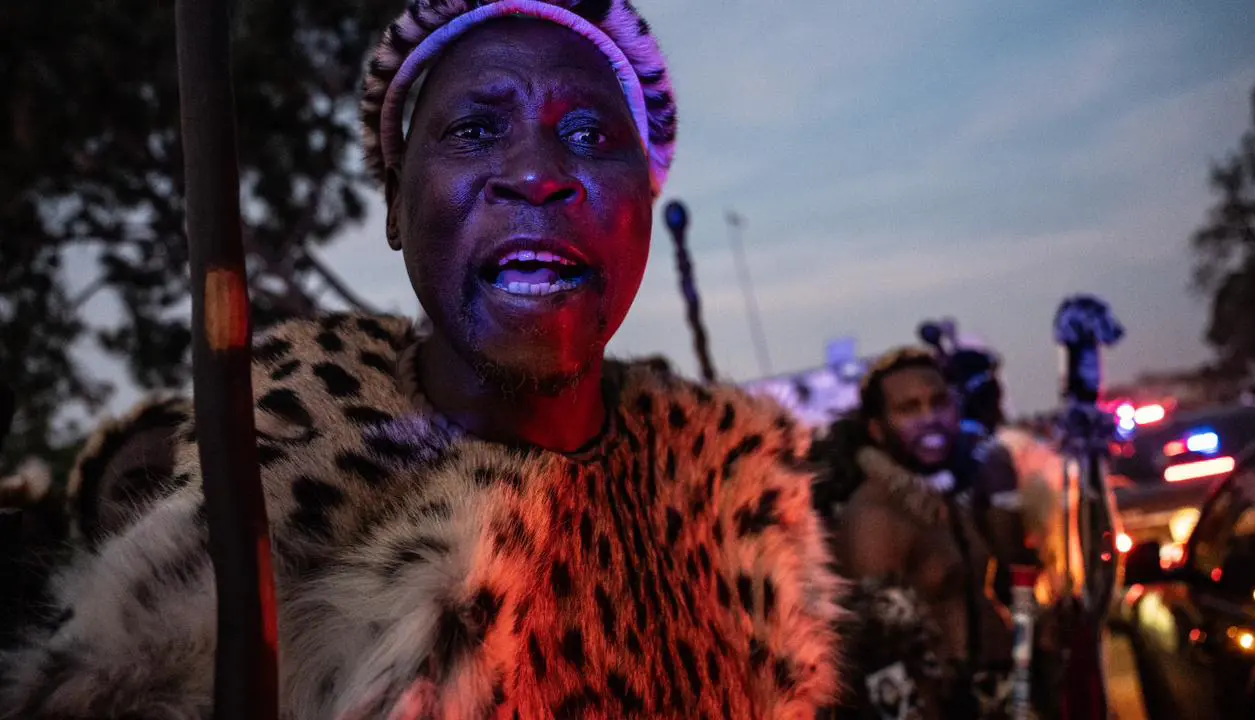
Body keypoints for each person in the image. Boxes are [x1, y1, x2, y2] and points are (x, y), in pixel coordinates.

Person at [0, 1, 850, 717]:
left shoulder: (746, 507)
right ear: (397, 211)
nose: (536, 175)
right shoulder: (263, 530)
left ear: (644, 202)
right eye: (476, 129)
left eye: (590, 135)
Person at [815, 348, 1015, 719]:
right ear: (877, 428)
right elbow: (884, 669)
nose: (930, 419)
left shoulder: (951, 496)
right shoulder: (875, 517)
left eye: (939, 403)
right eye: (909, 409)